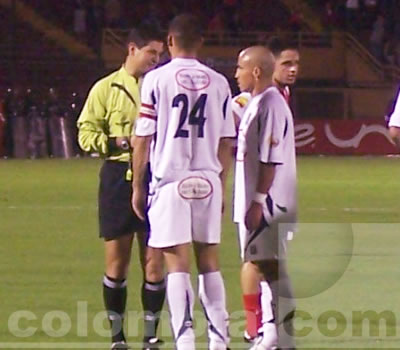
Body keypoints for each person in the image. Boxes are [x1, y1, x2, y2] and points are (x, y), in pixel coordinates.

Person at [132, 14, 235, 350]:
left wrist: (137, 186)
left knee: (176, 263)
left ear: (170, 40)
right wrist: (221, 183)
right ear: (201, 42)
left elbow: (143, 137)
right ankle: (219, 342)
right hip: (207, 177)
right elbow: (225, 142)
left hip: (170, 179)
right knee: (210, 260)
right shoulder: (220, 82)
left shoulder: (155, 80)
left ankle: (186, 341)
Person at [77, 23, 165, 350]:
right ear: (132, 49)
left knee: (154, 262)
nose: (156, 59)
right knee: (117, 262)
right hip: (117, 177)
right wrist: (116, 141)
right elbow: (84, 134)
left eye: (160, 53)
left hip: (157, 176)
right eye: (150, 53)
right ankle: (118, 339)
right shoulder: (105, 88)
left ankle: (151, 338)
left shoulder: (163, 86)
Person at [232, 36, 300, 344]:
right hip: (261, 200)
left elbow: (270, 160)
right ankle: (275, 332)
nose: (236, 74)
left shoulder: (270, 103)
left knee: (265, 264)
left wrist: (258, 201)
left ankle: (271, 331)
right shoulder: (257, 102)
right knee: (266, 264)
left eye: (240, 68)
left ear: (256, 71)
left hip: (268, 202)